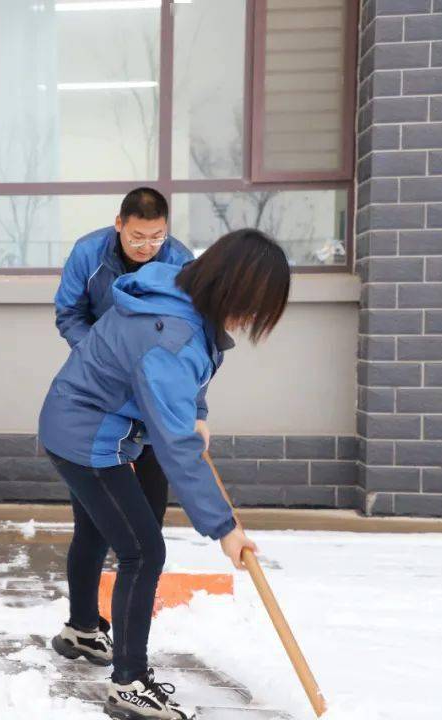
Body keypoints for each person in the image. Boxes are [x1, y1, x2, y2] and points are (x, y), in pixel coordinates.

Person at [39, 229, 290, 720]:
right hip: (87, 436)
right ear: (233, 289)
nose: (252, 319)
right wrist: (224, 527)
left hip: (72, 421)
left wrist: (196, 408)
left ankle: (81, 630)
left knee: (97, 529)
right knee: (142, 549)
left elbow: (193, 369)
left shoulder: (176, 292)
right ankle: (129, 683)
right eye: (255, 306)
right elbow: (175, 445)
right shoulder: (169, 333)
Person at [51, 188, 203, 663]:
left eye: (156, 236)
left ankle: (129, 628)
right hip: (100, 403)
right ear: (119, 224)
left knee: (145, 530)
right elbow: (68, 314)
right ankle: (82, 625)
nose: (147, 247)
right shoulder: (88, 253)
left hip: (154, 405)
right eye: (138, 237)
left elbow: (191, 346)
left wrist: (195, 411)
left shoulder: (180, 263)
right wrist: (105, 359)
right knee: (95, 523)